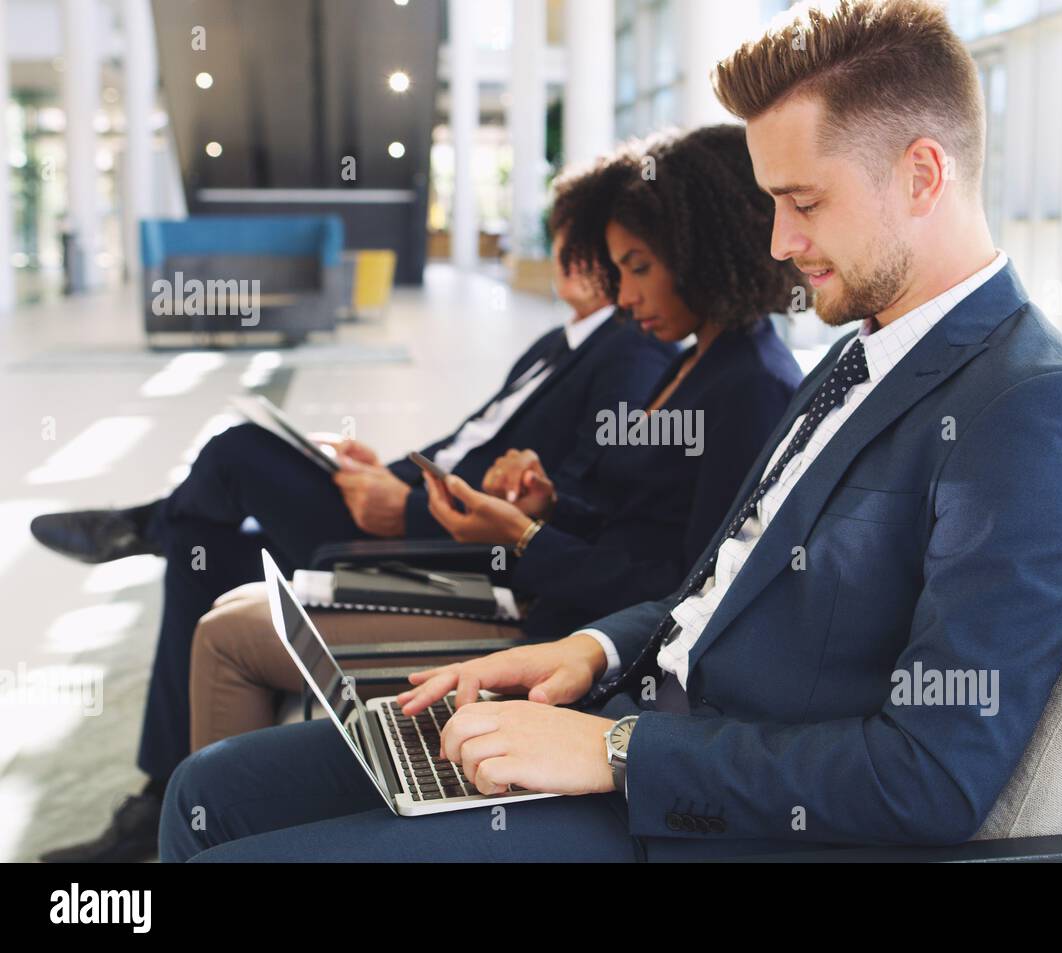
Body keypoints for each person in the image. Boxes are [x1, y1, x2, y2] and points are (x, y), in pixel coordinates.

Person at [162, 0, 1062, 862]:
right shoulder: (860, 356)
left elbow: (931, 775)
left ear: (922, 174)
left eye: (802, 202)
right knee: (210, 794)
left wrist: (617, 750)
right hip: (625, 712)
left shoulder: (1032, 408)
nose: (779, 244)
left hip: (702, 811)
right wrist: (589, 648)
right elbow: (716, 587)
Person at [32, 222, 676, 863]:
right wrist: (389, 471)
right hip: (411, 507)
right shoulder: (555, 343)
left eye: (576, 237)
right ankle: (160, 789)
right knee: (199, 548)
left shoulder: (628, 355)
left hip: (442, 545)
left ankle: (145, 526)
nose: (562, 250)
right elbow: (466, 444)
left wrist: (410, 509)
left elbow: (556, 501)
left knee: (236, 454)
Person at [182, 123, 807, 754]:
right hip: (543, 605)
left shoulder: (749, 386)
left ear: (701, 250)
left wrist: (524, 538)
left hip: (562, 644)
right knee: (233, 611)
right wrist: (551, 506)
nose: (625, 294)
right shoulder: (698, 360)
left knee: (230, 632)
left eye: (638, 268)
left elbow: (681, 590)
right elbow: (639, 518)